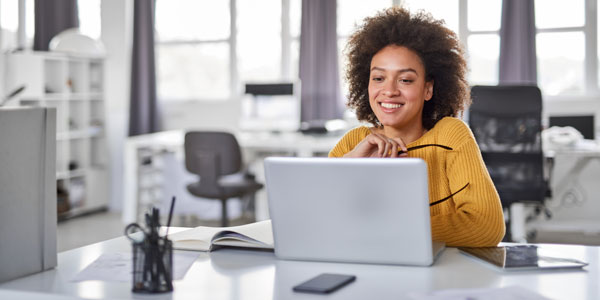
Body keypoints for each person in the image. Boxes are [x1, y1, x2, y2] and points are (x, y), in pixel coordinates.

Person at [329, 7, 505, 247]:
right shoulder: (353, 144)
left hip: (440, 278)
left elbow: (486, 225)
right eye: (378, 78)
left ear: (428, 89)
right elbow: (320, 224)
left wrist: (387, 231)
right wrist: (348, 167)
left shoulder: (451, 136)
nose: (389, 90)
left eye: (405, 80)